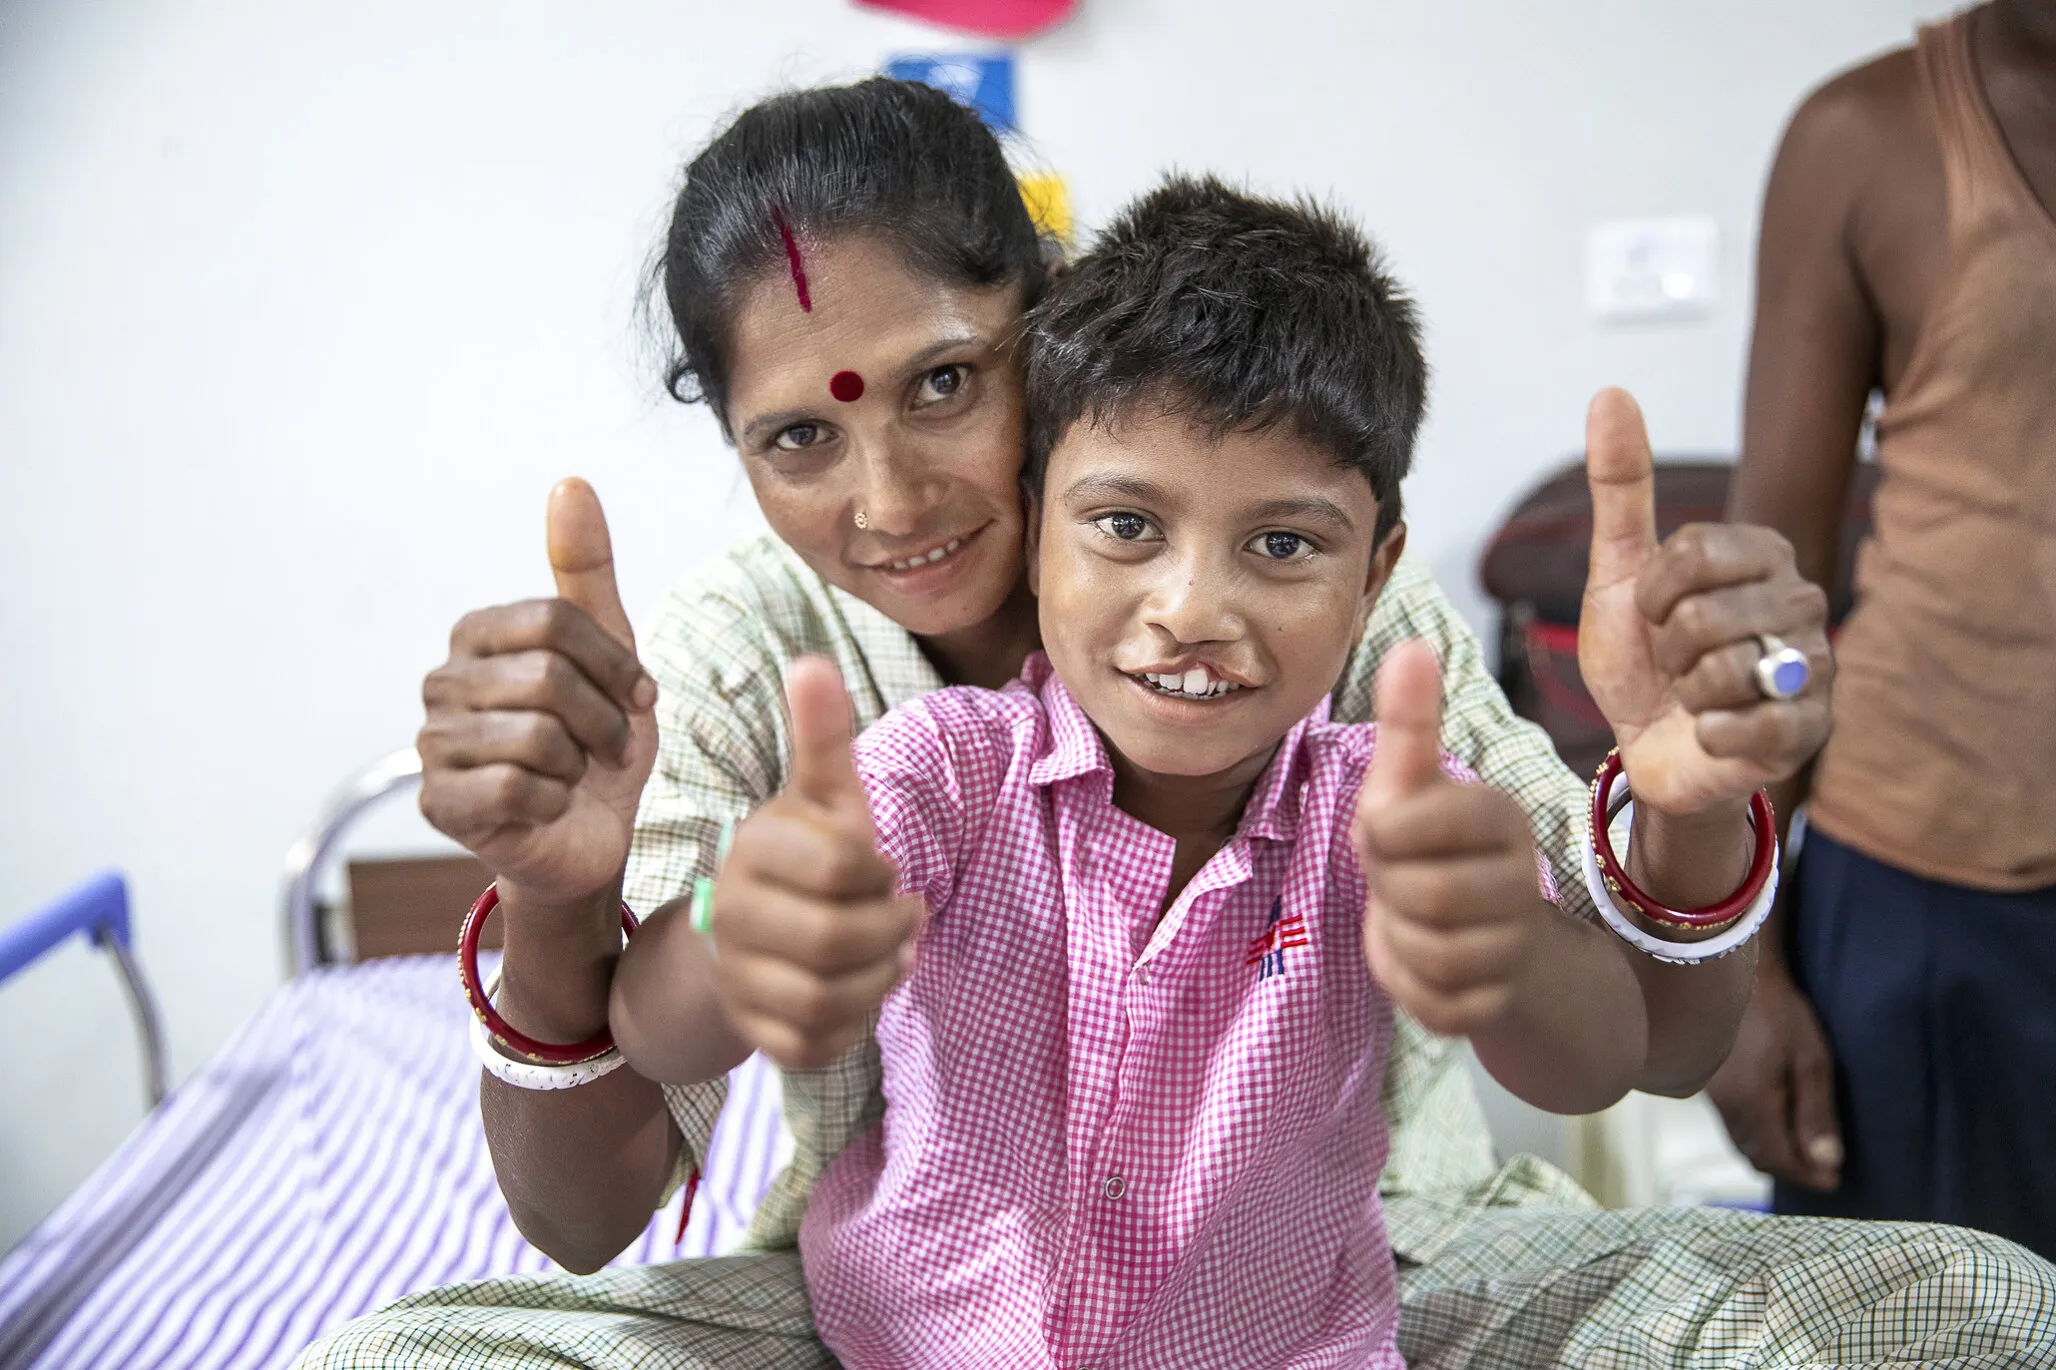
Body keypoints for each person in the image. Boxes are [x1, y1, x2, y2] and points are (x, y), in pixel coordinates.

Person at [302, 79, 2056, 1370]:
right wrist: (571, 899)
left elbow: (1629, 1041)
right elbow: (600, 1185)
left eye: (944, 383)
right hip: (918, 1305)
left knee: (1969, 1309)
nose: (896, 492)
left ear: (1042, 333)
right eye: (799, 438)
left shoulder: (1347, 649)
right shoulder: (799, 689)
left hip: (1364, 1269)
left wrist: (1666, 822)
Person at [603, 175, 1787, 1367]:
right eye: (1125, 526)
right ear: (1034, 520)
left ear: (1374, 576)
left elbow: (1597, 1062)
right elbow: (659, 1029)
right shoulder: (940, 769)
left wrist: (1508, 948)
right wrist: (730, 918)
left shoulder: (1385, 807)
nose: (1190, 610)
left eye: (1281, 544)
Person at [1711, 0, 2056, 1255]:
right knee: (1911, 1320)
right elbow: (1767, 587)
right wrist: (1733, 969)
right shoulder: (1864, 137)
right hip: (1919, 895)